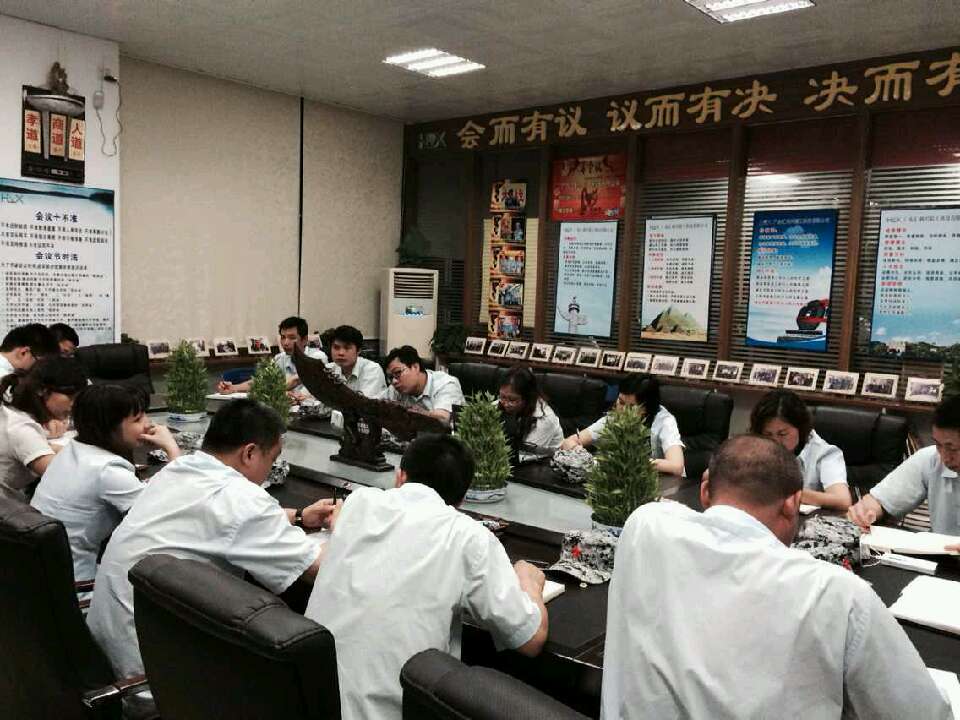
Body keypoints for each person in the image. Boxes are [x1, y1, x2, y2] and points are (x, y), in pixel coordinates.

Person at [600, 435, 950, 720]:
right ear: (792, 504)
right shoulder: (836, 593)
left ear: (705, 490)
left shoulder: (645, 525)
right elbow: (923, 713)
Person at [86, 399, 339, 718]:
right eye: (272, 459)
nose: (269, 470)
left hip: (103, 658)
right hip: (154, 682)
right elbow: (320, 568)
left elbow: (220, 518)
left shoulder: (180, 469)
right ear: (250, 453)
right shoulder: (240, 499)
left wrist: (300, 516)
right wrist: (344, 527)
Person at [304, 434, 547, 720]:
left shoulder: (358, 502)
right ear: (462, 498)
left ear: (400, 477)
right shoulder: (468, 536)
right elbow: (530, 639)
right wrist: (529, 581)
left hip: (307, 703)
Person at [31, 385, 181, 584]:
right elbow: (166, 513)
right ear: (108, 427)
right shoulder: (107, 471)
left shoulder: (74, 449)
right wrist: (172, 448)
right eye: (137, 419)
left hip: (41, 571)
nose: (148, 424)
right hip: (76, 583)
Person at [849, 395, 960, 544]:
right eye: (939, 445)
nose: (945, 457)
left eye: (952, 449)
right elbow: (879, 501)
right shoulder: (930, 459)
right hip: (940, 555)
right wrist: (865, 512)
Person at [560, 374, 684, 476]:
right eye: (621, 402)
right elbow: (569, 442)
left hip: (663, 486)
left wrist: (629, 462)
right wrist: (581, 453)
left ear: (645, 408)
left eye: (630, 407)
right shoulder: (614, 417)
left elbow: (676, 466)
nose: (622, 410)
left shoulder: (664, 421)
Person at [749, 389, 851, 511]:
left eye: (782, 434)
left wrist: (790, 494)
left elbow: (843, 500)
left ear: (800, 429)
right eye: (768, 434)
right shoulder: (756, 447)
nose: (775, 441)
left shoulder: (824, 453)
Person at [0, 356, 88, 496]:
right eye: (71, 397)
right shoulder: (22, 429)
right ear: (41, 390)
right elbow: (64, 477)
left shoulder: (16, 412)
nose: (74, 405)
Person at [216, 316, 327, 398]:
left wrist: (274, 392)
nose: (286, 343)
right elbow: (262, 381)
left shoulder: (318, 357)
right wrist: (234, 388)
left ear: (304, 340)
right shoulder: (280, 358)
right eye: (283, 337)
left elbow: (295, 381)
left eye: (292, 338)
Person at [379, 345, 464, 426]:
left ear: (415, 367)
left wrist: (416, 413)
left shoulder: (446, 384)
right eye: (390, 377)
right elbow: (375, 405)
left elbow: (442, 419)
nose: (394, 381)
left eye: (398, 372)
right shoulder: (396, 388)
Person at [497, 366, 563, 459]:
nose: (506, 404)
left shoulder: (545, 419)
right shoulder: (501, 403)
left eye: (512, 400)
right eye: (502, 397)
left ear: (527, 398)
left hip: (540, 462)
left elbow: (524, 455)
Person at [327, 324, 386, 398]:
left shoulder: (373, 370)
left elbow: (363, 402)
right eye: (336, 347)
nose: (341, 353)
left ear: (358, 350)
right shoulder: (327, 369)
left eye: (347, 348)